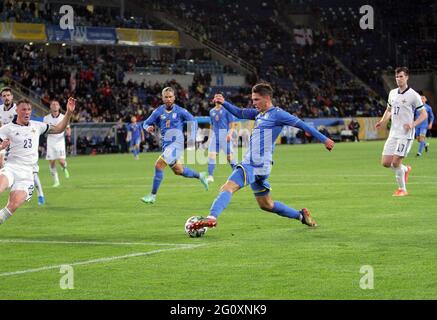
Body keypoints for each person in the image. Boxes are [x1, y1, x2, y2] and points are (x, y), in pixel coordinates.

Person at [188, 83, 334, 232]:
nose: (254, 103)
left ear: (267, 98)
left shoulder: (278, 114)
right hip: (262, 167)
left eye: (256, 99)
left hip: (254, 163)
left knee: (227, 187)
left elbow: (302, 125)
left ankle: (211, 218)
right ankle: (301, 216)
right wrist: (224, 102)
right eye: (253, 99)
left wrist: (324, 139)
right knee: (266, 205)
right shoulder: (259, 114)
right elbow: (239, 112)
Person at [0, 97, 75, 226]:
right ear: (17, 110)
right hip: (11, 168)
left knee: (12, 207)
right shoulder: (7, 129)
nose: (27, 112)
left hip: (28, 174)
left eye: (29, 109)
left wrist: (68, 112)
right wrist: (1, 147)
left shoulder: (37, 126)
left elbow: (59, 129)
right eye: (23, 109)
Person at [141, 87, 209, 204]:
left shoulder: (180, 111)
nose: (168, 99)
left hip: (176, 145)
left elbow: (193, 121)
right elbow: (145, 123)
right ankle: (200, 176)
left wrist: (192, 137)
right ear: (162, 98)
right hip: (166, 146)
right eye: (166, 97)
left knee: (158, 165)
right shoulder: (158, 112)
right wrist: (148, 127)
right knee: (179, 170)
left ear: (174, 98)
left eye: (170, 97)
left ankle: (152, 196)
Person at [375, 67, 427, 196]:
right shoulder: (392, 93)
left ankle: (402, 189)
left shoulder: (413, 95)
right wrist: (383, 121)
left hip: (405, 134)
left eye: (401, 76)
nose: (398, 79)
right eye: (397, 77)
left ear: (407, 77)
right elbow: (389, 110)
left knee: (396, 162)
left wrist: (413, 124)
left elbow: (424, 114)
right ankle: (405, 169)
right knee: (386, 163)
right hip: (393, 133)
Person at [1, 87, 45, 205]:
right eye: (4, 96)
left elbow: (21, 124)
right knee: (4, 166)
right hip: (5, 141)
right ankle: (15, 185)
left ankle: (38, 192)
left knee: (30, 169)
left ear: (12, 97)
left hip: (19, 140)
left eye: (8, 95)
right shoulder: (0, 110)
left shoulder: (18, 108)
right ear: (1, 98)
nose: (6, 98)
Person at [207, 94, 237, 183]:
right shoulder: (211, 111)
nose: (218, 99)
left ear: (222, 99)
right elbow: (211, 125)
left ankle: (238, 173)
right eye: (216, 97)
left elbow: (232, 124)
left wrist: (230, 134)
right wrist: (209, 137)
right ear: (214, 99)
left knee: (229, 157)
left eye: (219, 97)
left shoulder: (226, 110)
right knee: (211, 155)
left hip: (225, 136)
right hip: (215, 136)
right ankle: (210, 176)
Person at [43, 100, 71, 187]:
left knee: (61, 161)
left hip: (60, 141)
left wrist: (68, 132)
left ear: (59, 107)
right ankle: (56, 181)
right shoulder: (46, 118)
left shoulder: (63, 117)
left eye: (56, 104)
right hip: (50, 141)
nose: (55, 106)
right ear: (50, 107)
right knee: (52, 162)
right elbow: (44, 129)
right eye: (53, 104)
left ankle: (64, 167)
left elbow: (68, 128)